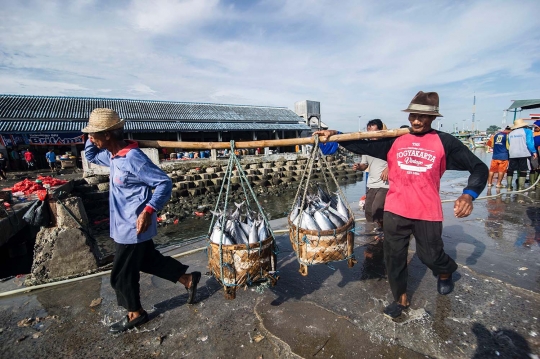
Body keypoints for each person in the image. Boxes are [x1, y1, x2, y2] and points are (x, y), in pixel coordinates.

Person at [314, 91, 488, 319]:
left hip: (427, 211)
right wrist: (336, 135)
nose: (416, 121)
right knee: (393, 257)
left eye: (422, 117)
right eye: (413, 115)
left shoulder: (445, 142)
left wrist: (468, 195)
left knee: (430, 257)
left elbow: (479, 167)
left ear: (433, 118)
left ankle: (446, 271)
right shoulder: (396, 139)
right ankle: (401, 298)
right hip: (395, 209)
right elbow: (362, 144)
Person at [83, 108, 201, 333]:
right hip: (123, 225)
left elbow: (164, 183)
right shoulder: (112, 156)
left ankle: (136, 313)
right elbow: (89, 156)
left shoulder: (133, 158)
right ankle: (187, 279)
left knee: (122, 274)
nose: (90, 138)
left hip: (133, 227)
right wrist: (90, 137)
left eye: (94, 134)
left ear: (108, 134)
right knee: (147, 261)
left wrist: (148, 210)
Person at [352, 119, 389, 240]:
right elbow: (364, 165)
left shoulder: (387, 145)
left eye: (373, 132)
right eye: (369, 132)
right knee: (368, 210)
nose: (371, 136)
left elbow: (398, 158)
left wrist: (389, 167)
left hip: (385, 184)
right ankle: (378, 228)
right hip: (371, 183)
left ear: (380, 130)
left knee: (377, 208)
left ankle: (383, 230)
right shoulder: (367, 148)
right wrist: (359, 167)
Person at [506, 119, 537, 190]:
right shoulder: (527, 131)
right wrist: (534, 151)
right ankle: (520, 187)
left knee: (510, 170)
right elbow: (529, 143)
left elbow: (509, 143)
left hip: (512, 154)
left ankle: (509, 187)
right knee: (523, 170)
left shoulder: (511, 133)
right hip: (524, 153)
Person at [530, 120, 540, 188]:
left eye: (536, 127)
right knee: (533, 167)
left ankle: (537, 182)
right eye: (534, 127)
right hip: (534, 152)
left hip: (537, 150)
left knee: (538, 167)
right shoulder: (532, 134)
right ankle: (532, 183)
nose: (535, 129)